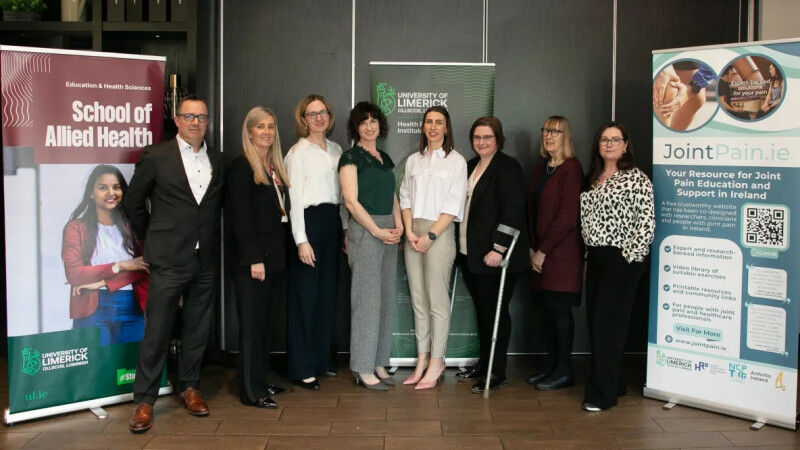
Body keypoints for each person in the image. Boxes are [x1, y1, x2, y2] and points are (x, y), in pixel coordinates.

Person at [124, 95, 226, 432]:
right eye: (189, 116)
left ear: (207, 122)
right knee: (158, 329)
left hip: (206, 257)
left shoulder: (218, 160)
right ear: (177, 120)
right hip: (168, 257)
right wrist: (152, 237)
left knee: (197, 327)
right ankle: (144, 400)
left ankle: (189, 387)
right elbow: (134, 203)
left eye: (202, 117)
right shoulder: (157, 155)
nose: (197, 122)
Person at [580, 122, 654, 412]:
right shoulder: (594, 178)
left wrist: (627, 259)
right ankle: (616, 383)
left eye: (615, 139)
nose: (609, 144)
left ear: (626, 145)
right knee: (598, 326)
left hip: (622, 260)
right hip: (596, 258)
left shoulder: (636, 178)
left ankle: (603, 395)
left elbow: (645, 224)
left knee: (607, 328)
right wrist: (589, 258)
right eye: (604, 139)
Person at [454, 116, 528, 393]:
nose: (481, 142)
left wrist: (498, 248)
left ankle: (496, 371)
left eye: (487, 137)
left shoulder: (508, 167)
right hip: (469, 253)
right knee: (482, 312)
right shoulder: (470, 166)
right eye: (477, 137)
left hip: (496, 257)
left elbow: (513, 211)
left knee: (495, 312)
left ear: (498, 139)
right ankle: (484, 364)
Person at [398, 105, 468, 390]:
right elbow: (404, 197)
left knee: (437, 301)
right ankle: (422, 358)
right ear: (423, 126)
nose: (433, 127)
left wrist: (430, 237)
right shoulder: (413, 160)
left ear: (447, 127)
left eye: (439, 122)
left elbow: (453, 206)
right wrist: (409, 232)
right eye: (429, 122)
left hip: (439, 233)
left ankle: (437, 361)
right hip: (412, 232)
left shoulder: (456, 161)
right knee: (418, 300)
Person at [226, 106, 290, 408]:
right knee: (251, 329)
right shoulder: (242, 167)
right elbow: (240, 219)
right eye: (260, 127)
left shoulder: (274, 168)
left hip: (274, 259)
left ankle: (261, 382)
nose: (267, 132)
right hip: (253, 262)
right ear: (249, 131)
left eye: (271, 126)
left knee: (265, 326)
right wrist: (254, 259)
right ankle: (250, 393)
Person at [338, 101, 403, 391]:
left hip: (388, 230)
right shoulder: (350, 157)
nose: (369, 125)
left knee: (386, 298)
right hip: (366, 231)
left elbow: (393, 197)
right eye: (363, 121)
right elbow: (351, 201)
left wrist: (399, 225)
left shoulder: (385, 158)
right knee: (366, 301)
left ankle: (379, 361)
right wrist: (377, 230)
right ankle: (362, 368)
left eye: (374, 120)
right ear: (356, 127)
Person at [284, 94, 346, 391]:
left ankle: (321, 361)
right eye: (312, 114)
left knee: (326, 296)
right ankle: (301, 367)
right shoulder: (297, 154)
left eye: (323, 112)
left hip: (332, 223)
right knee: (305, 299)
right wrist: (301, 241)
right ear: (303, 119)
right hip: (308, 225)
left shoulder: (336, 150)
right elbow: (293, 202)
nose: (319, 118)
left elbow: (344, 196)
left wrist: (344, 230)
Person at [525, 116, 584, 391]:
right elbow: (531, 211)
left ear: (566, 136)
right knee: (547, 313)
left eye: (556, 131)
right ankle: (550, 367)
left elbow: (566, 218)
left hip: (561, 256)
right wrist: (532, 248)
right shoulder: (541, 168)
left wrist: (543, 252)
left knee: (560, 313)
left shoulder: (571, 169)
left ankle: (564, 371)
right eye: (546, 130)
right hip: (540, 253)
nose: (549, 136)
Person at [62, 165, 149, 347]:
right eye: (103, 187)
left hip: (131, 308)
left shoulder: (133, 226)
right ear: (92, 193)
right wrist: (120, 266)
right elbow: (74, 274)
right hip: (92, 309)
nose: (111, 193)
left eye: (116, 187)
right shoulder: (76, 227)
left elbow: (144, 266)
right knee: (93, 370)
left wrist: (103, 282)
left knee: (128, 370)